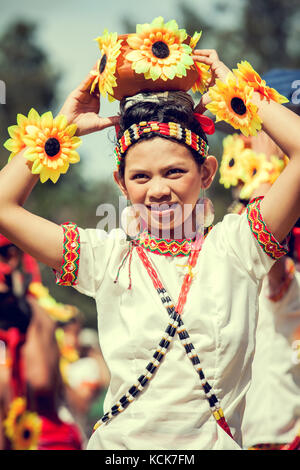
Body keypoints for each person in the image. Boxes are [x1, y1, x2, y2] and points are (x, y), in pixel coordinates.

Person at [0, 18, 300, 448]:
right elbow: (3, 207)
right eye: (141, 177)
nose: (158, 190)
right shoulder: (104, 256)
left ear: (207, 172)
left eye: (175, 171)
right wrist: (59, 129)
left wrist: (239, 92)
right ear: (121, 184)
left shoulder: (239, 245)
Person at [219, 131, 300, 449]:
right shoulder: (222, 258)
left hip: (276, 438)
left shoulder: (281, 276)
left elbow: (264, 245)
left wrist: (267, 171)